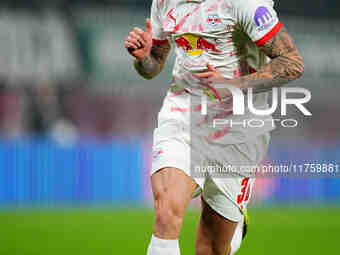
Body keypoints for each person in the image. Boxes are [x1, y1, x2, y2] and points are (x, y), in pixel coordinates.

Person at [124, 0, 304, 254]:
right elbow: (154, 65)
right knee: (166, 212)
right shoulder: (164, 2)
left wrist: (233, 84)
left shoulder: (244, 4)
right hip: (184, 114)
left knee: (211, 249)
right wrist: (144, 59)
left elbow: (292, 63)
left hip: (240, 126)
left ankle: (234, 228)